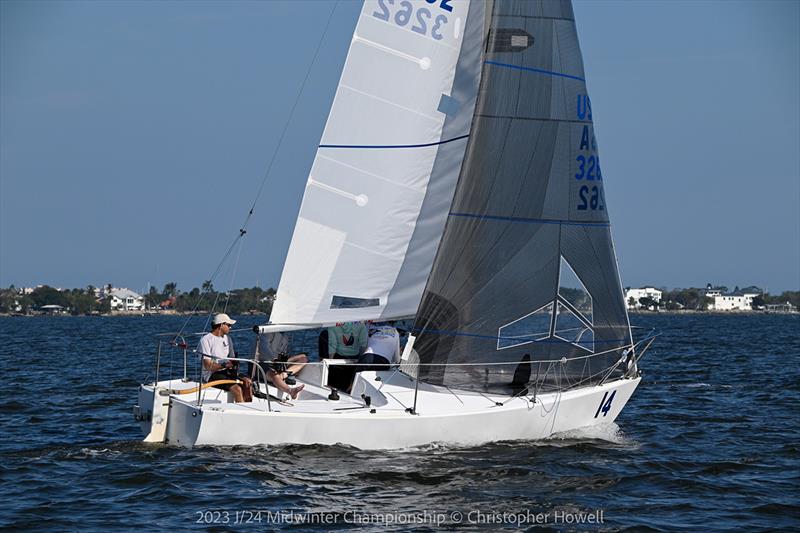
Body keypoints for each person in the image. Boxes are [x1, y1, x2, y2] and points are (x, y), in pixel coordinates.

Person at [197, 313, 254, 403]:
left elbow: (233, 358)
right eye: (229, 325)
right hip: (211, 374)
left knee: (248, 383)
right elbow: (208, 366)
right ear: (221, 325)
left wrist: (235, 366)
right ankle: (243, 414)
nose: (230, 327)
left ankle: (249, 409)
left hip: (226, 371)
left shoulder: (228, 339)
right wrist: (225, 365)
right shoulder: (205, 340)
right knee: (237, 389)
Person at [252, 331, 306, 400]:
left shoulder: (285, 336)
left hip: (277, 363)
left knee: (303, 358)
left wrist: (281, 362)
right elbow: (262, 347)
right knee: (275, 375)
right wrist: (274, 359)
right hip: (261, 363)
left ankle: (283, 374)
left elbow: (282, 351)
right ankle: (291, 391)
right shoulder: (267, 331)